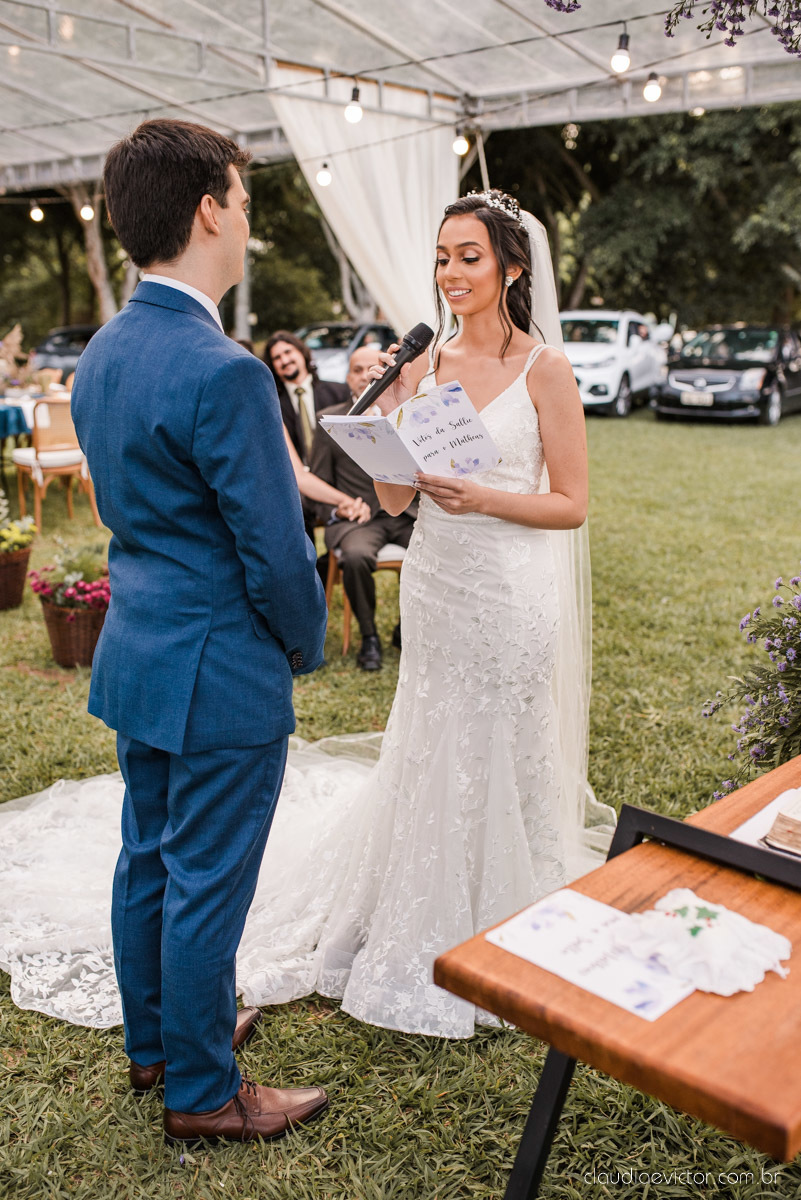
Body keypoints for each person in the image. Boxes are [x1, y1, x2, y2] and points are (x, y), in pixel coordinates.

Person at [1, 190, 610, 1043]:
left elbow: (572, 503)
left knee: (503, 739)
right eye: (441, 257)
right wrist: (387, 442)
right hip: (440, 579)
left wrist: (483, 496)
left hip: (510, 586)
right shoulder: (424, 366)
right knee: (431, 732)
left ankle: (506, 896)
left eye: (468, 257)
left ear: (512, 267)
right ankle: (416, 904)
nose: (450, 274)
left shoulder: (544, 367)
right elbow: (395, 498)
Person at [69, 118, 330, 1143]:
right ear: (210, 209)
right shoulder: (226, 371)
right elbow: (274, 551)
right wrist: (302, 646)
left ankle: (159, 1044)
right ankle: (204, 1091)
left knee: (149, 858)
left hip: (139, 649)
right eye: (245, 198)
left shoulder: (103, 354)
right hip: (220, 664)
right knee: (208, 878)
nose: (248, 218)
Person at [309, 345, 417, 670]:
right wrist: (339, 509)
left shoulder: (405, 412)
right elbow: (317, 482)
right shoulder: (330, 419)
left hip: (405, 515)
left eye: (372, 367)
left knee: (431, 551)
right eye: (357, 369)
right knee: (355, 557)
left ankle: (406, 627)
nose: (364, 375)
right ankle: (369, 637)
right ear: (347, 377)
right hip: (358, 521)